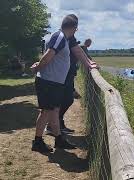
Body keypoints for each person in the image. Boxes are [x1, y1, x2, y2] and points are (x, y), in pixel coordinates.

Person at [30, 15, 96, 153]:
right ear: (74, 28)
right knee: (46, 112)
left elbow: (77, 50)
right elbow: (48, 55)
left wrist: (89, 64)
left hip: (54, 82)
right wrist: (37, 68)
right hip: (48, 81)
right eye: (76, 29)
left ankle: (59, 139)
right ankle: (37, 141)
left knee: (54, 111)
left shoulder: (65, 37)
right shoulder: (60, 37)